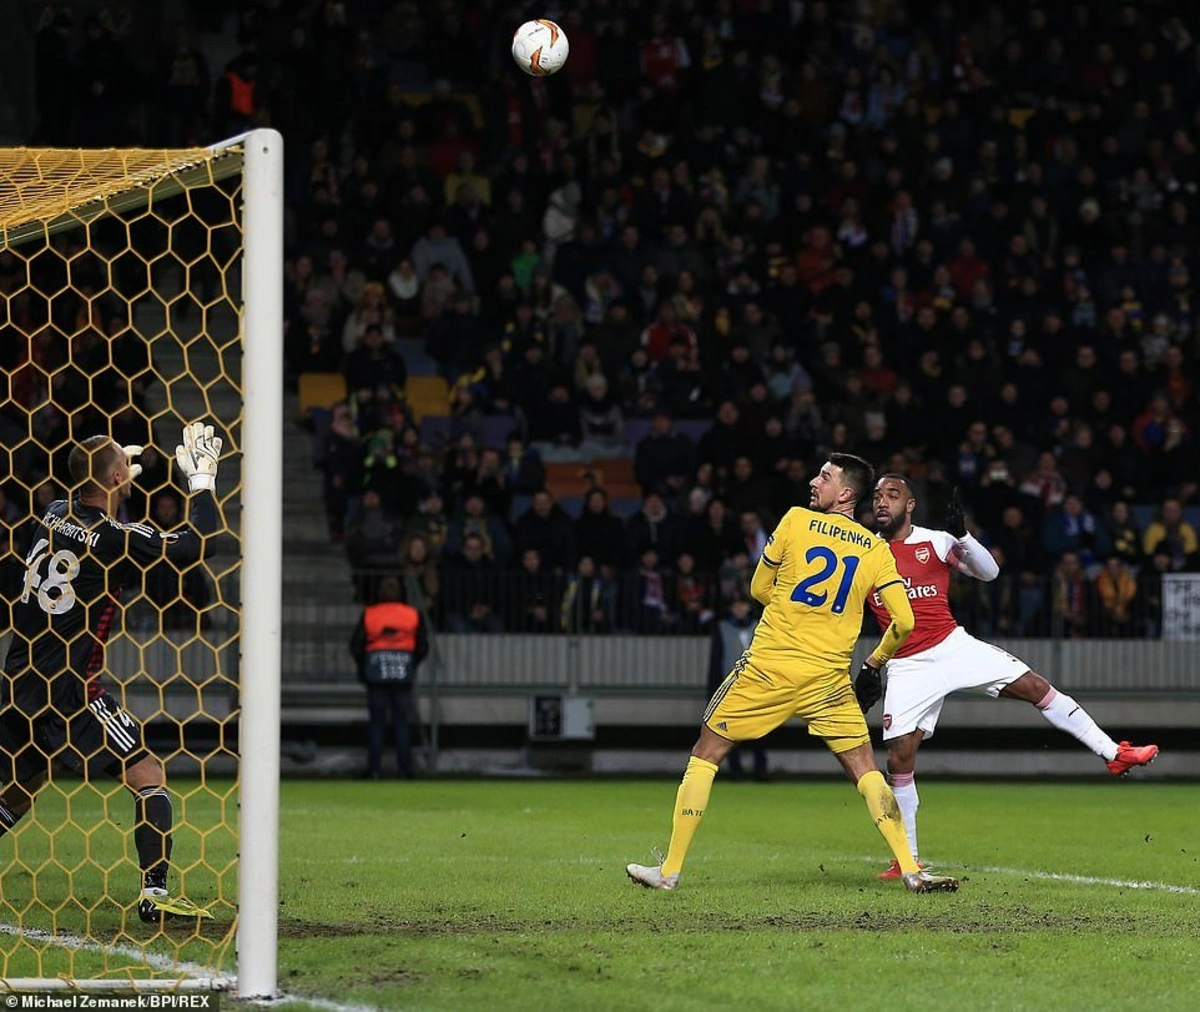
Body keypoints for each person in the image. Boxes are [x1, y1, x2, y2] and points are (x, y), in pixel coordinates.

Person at [626, 454, 958, 894]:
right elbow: (905, 622)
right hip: (828, 678)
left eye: (825, 476)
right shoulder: (875, 549)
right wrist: (874, 663)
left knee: (706, 753)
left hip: (770, 667)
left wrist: (792, 609)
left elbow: (758, 588)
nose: (814, 481)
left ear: (845, 493)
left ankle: (669, 871)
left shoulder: (796, 521)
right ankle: (911, 869)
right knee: (866, 771)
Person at [857, 476, 1160, 880]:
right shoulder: (865, 552)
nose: (882, 502)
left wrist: (963, 535)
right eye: (877, 496)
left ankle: (1113, 753)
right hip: (907, 663)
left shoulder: (938, 542)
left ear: (910, 505)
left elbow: (990, 572)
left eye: (892, 495)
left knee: (1036, 687)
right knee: (899, 757)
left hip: (952, 646)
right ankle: (906, 858)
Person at [0, 423, 223, 922]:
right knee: (149, 776)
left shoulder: (53, 513)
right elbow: (196, 546)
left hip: (19, 680)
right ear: (119, 475)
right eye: (122, 464)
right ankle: (155, 892)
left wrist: (112, 479)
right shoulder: (116, 539)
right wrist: (202, 481)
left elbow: (87, 501)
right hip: (72, 690)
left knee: (20, 790)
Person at [349, 576, 429, 779]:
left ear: (379, 593)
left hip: (376, 673)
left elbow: (356, 645)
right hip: (402, 674)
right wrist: (410, 662)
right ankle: (405, 770)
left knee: (376, 723)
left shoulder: (370, 614)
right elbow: (422, 646)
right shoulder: (412, 614)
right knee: (402, 723)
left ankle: (373, 770)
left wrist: (365, 664)